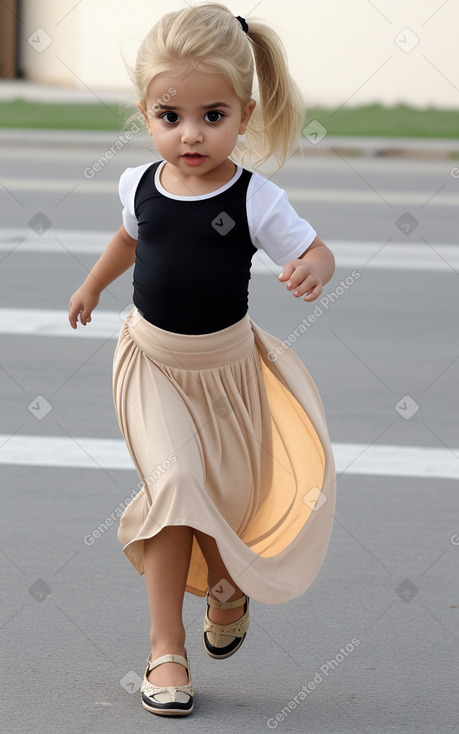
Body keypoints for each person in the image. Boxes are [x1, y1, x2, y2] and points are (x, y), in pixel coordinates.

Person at [68, 2, 336, 718]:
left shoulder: (254, 197)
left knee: (213, 503)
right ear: (145, 111)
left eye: (211, 115)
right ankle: (166, 649)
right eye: (170, 114)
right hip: (150, 363)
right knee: (175, 485)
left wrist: (315, 266)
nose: (190, 134)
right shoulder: (139, 184)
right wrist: (93, 285)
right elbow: (130, 239)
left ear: (244, 113)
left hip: (226, 373)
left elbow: (311, 247)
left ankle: (225, 586)